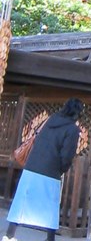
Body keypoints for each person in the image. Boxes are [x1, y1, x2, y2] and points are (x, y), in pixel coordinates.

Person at [3, 98, 84, 241]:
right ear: (78, 113)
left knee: (22, 201)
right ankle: (50, 238)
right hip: (51, 170)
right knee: (50, 206)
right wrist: (62, 169)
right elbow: (67, 154)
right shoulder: (72, 129)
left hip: (32, 166)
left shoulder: (50, 120)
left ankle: (9, 235)